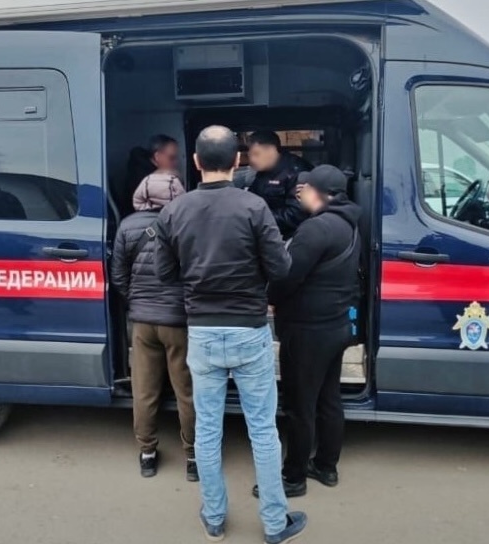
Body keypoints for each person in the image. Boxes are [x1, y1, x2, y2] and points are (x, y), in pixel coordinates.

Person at [155, 125, 307, 544]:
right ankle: (275, 524)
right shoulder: (254, 207)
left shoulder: (174, 211)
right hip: (249, 330)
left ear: (196, 162)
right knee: (263, 430)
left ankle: (214, 518)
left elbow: (164, 274)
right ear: (237, 161)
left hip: (202, 333)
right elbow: (280, 268)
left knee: (208, 430)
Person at [268, 165, 361, 497]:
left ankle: (293, 478)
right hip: (335, 327)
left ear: (317, 192)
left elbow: (286, 277)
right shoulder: (349, 225)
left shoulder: (315, 228)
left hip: (307, 331)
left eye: (303, 189)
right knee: (328, 399)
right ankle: (326, 466)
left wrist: (270, 298)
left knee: (299, 406)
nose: (299, 195)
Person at [110, 168, 197, 482]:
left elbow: (118, 275)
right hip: (178, 322)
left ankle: (147, 454)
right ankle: (193, 457)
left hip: (143, 322)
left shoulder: (127, 226)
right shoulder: (186, 224)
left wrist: (136, 301)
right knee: (186, 391)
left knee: (144, 391)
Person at [244, 130, 311, 239]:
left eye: (256, 154)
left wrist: (261, 218)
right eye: (249, 155)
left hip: (292, 236)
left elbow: (296, 215)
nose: (252, 160)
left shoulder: (296, 172)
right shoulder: (262, 172)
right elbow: (252, 198)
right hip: (267, 232)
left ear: (271, 150)